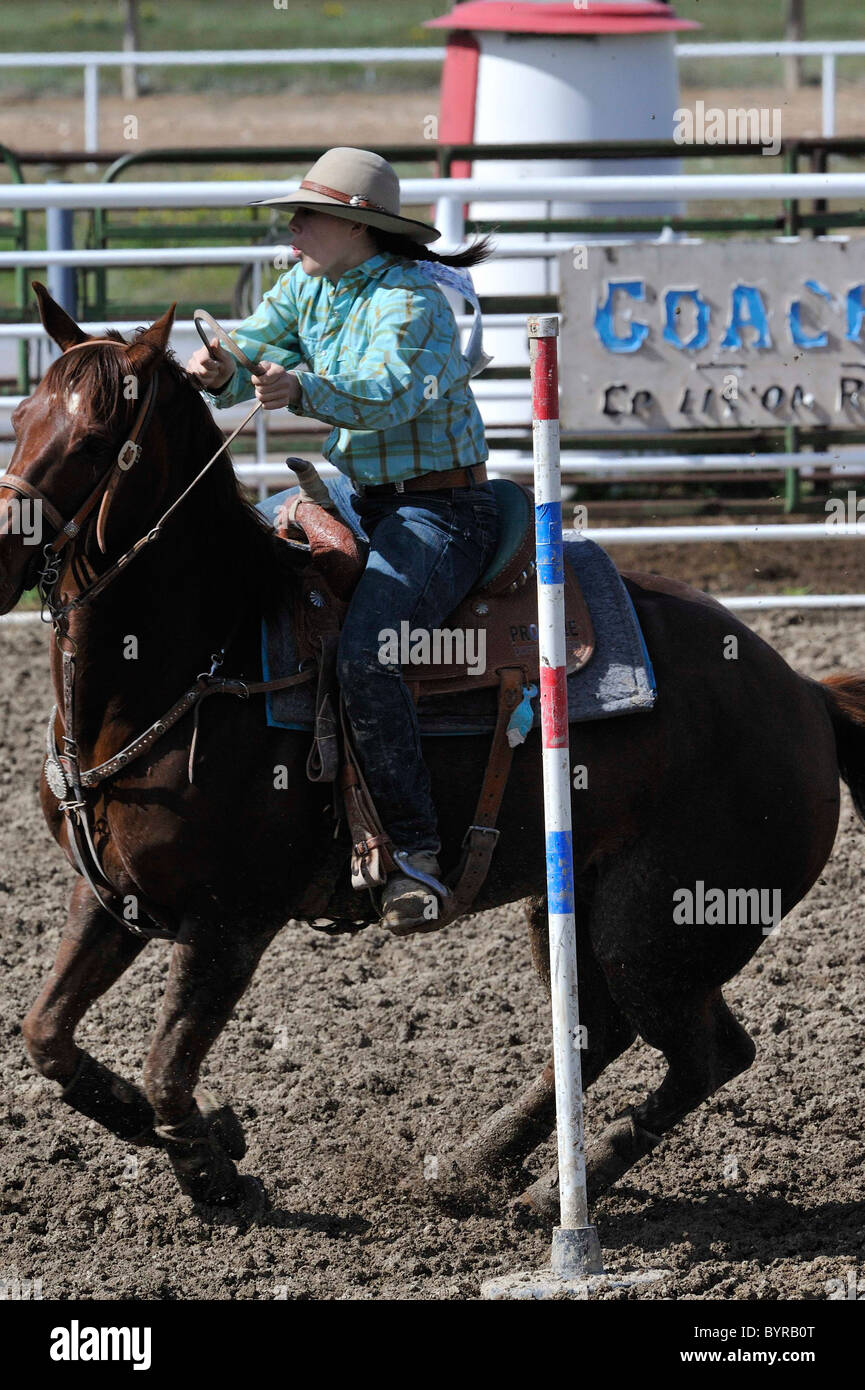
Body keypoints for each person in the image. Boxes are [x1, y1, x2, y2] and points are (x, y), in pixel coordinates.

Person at [186, 147, 498, 935]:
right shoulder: (306, 285)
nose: (291, 226)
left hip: (440, 512)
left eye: (306, 214)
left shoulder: (414, 302)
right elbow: (255, 345)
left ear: (355, 227)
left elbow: (391, 393)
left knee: (370, 652)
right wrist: (221, 366)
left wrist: (303, 388)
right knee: (228, 573)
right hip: (362, 498)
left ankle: (414, 847)